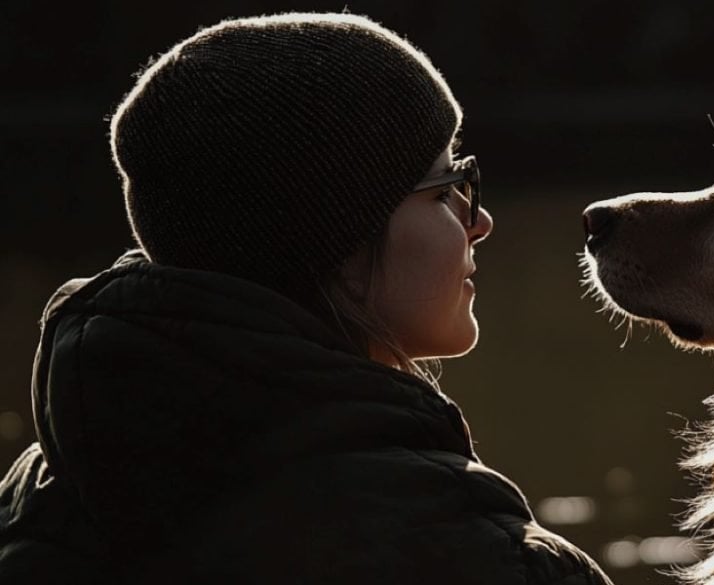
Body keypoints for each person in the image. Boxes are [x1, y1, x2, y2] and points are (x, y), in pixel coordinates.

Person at [0, 13, 612, 584]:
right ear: (337, 242)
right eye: (446, 188)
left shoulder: (45, 491)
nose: (479, 223)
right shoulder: (467, 554)